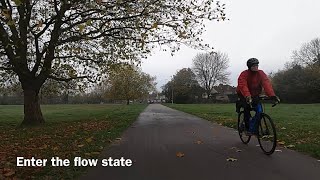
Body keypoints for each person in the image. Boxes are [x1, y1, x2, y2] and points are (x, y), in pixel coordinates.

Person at [236, 58, 280, 134]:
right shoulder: (244, 74)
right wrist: (247, 96)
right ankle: (247, 128)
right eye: (253, 66)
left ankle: (254, 127)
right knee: (247, 108)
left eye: (257, 65)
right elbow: (243, 86)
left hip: (255, 94)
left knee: (259, 111)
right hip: (243, 94)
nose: (256, 67)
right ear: (249, 67)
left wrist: (272, 95)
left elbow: (266, 84)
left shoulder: (261, 73)